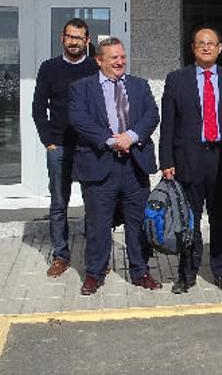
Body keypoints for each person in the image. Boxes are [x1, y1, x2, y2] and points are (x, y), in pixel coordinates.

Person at [68, 37, 161, 295]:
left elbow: (151, 115)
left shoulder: (139, 85)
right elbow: (79, 120)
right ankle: (94, 274)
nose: (120, 62)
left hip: (134, 166)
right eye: (114, 58)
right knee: (98, 224)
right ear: (99, 60)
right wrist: (111, 141)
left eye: (122, 56)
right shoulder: (81, 88)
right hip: (100, 166)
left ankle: (140, 271)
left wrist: (130, 137)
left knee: (137, 221)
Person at [159, 26, 222, 294]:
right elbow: (168, 125)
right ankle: (186, 273)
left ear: (220, 48)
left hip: (221, 160)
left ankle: (221, 271)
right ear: (193, 48)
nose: (206, 47)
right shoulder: (176, 79)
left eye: (211, 43)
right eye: (201, 43)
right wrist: (167, 160)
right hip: (188, 160)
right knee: (188, 221)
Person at [32, 18, 98, 278]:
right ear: (62, 38)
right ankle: (61, 255)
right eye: (70, 37)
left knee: (93, 204)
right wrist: (48, 140)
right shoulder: (49, 68)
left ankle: (95, 256)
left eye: (79, 37)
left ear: (87, 41)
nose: (74, 42)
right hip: (58, 146)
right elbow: (38, 108)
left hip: (88, 147)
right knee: (59, 203)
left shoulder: (95, 67)